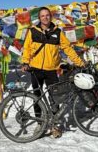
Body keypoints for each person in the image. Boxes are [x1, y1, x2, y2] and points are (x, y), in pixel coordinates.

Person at [21, 7, 85, 138]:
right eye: (42, 16)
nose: (45, 17)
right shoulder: (32, 31)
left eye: (47, 15)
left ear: (50, 16)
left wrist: (79, 62)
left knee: (55, 98)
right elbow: (27, 48)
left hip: (51, 70)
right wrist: (25, 62)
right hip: (35, 69)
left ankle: (54, 124)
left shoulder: (57, 32)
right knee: (37, 97)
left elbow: (67, 48)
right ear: (39, 18)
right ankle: (40, 123)